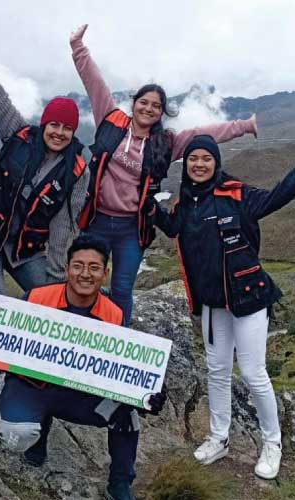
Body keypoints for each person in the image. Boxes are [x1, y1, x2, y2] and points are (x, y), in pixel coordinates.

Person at [151, 134, 295, 480]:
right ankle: (219, 438)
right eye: (193, 159)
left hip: (249, 299)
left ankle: (272, 444)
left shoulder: (236, 195)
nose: (199, 164)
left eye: (206, 158)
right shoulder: (185, 205)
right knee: (216, 370)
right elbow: (169, 226)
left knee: (252, 372)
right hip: (213, 304)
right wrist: (142, 195)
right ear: (185, 165)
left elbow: (278, 195)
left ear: (216, 163)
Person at [0, 234, 167, 500]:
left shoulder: (114, 314)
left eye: (94, 268)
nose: (85, 274)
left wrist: (147, 393)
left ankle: (120, 482)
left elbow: (121, 369)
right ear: (66, 270)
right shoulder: (36, 297)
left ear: (105, 274)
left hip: (77, 394)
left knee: (126, 414)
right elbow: (1, 339)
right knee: (17, 436)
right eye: (78, 266)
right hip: (30, 386)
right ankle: (37, 429)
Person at [70, 24, 258, 326]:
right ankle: (81, 333)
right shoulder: (111, 120)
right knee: (84, 283)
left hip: (132, 227)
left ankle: (117, 339)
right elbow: (95, 83)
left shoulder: (165, 143)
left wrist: (243, 126)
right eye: (144, 102)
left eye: (156, 106)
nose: (149, 108)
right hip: (96, 221)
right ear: (134, 104)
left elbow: (203, 134)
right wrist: (78, 47)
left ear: (161, 113)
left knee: (121, 289)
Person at [0, 22, 90, 295]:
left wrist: (56, 278)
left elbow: (64, 226)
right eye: (54, 125)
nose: (59, 133)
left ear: (74, 132)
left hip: (24, 250)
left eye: (67, 128)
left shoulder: (77, 172)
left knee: (48, 297)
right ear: (44, 124)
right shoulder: (19, 134)